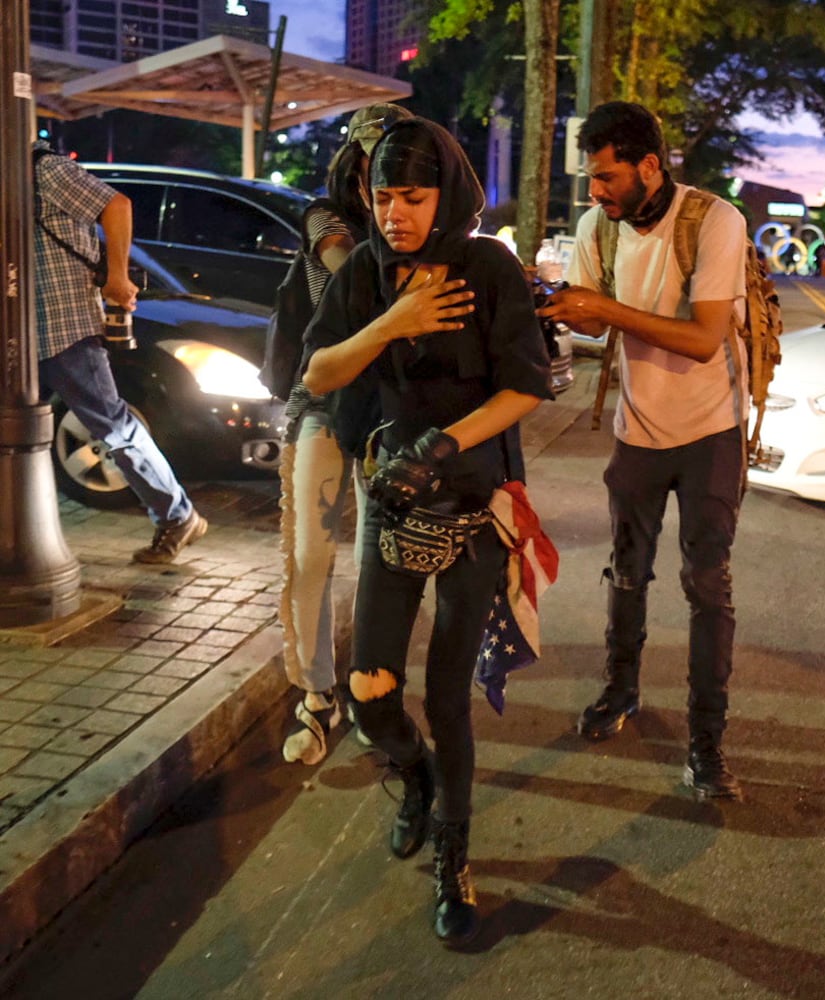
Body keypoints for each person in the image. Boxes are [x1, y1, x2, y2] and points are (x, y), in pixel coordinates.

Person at [301, 117, 552, 946]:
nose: (395, 213)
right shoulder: (367, 273)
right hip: (393, 498)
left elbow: (524, 386)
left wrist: (445, 442)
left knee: (447, 696)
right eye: (382, 196)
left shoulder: (488, 267)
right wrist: (391, 324)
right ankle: (409, 775)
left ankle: (455, 858)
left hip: (473, 502)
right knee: (371, 691)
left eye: (412, 196)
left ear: (446, 193)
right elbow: (317, 371)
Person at [539, 101, 749, 802]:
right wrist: (558, 313)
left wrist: (599, 310)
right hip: (637, 431)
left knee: (705, 584)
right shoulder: (598, 227)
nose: (594, 193)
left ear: (649, 166)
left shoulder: (714, 221)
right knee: (626, 572)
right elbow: (597, 326)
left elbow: (701, 337)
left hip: (710, 431)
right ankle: (620, 690)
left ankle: (706, 741)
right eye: (590, 179)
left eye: (605, 177)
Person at [279, 103, 413, 767]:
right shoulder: (328, 223)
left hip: (389, 412)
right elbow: (354, 278)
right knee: (311, 556)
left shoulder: (420, 226)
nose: (384, 184)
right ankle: (314, 696)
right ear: (354, 166)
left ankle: (369, 691)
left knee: (376, 560)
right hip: (325, 402)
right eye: (373, 167)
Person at [32, 140, 205, 564]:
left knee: (111, 424)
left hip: (64, 320)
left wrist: (116, 276)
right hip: (25, 327)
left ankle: (177, 515)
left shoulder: (44, 170)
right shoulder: (16, 177)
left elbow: (117, 205)